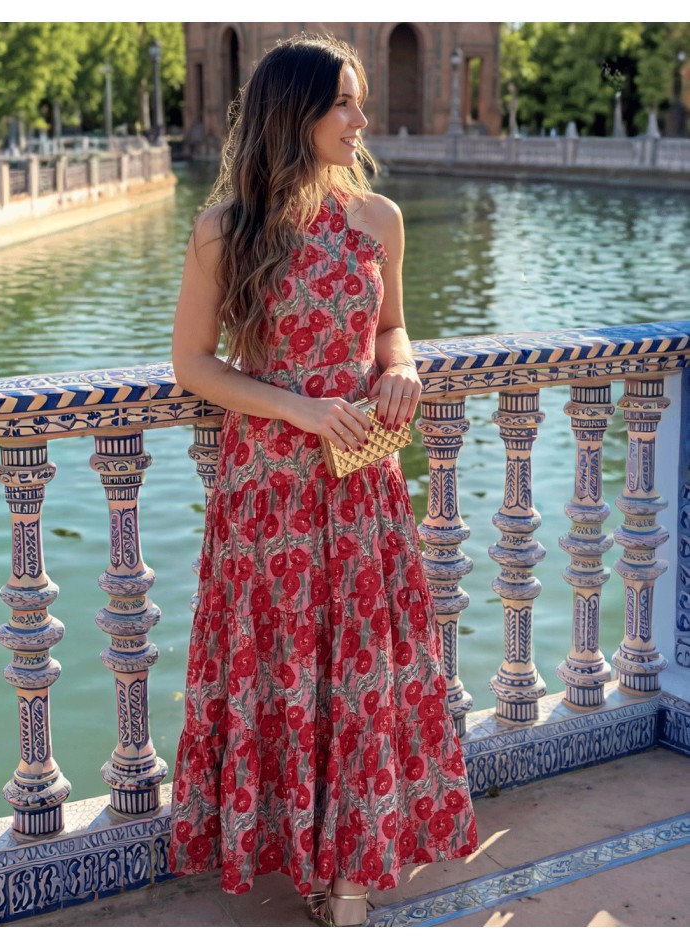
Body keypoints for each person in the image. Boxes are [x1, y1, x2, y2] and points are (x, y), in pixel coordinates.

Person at [168, 32, 477, 927]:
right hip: (269, 487)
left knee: (364, 671)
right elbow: (193, 364)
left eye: (360, 100)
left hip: (362, 481)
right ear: (292, 110)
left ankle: (349, 873)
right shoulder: (225, 228)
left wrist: (402, 368)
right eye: (342, 100)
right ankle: (296, 850)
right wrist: (297, 408)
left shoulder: (379, 218)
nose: (360, 117)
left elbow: (393, 330)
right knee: (285, 669)